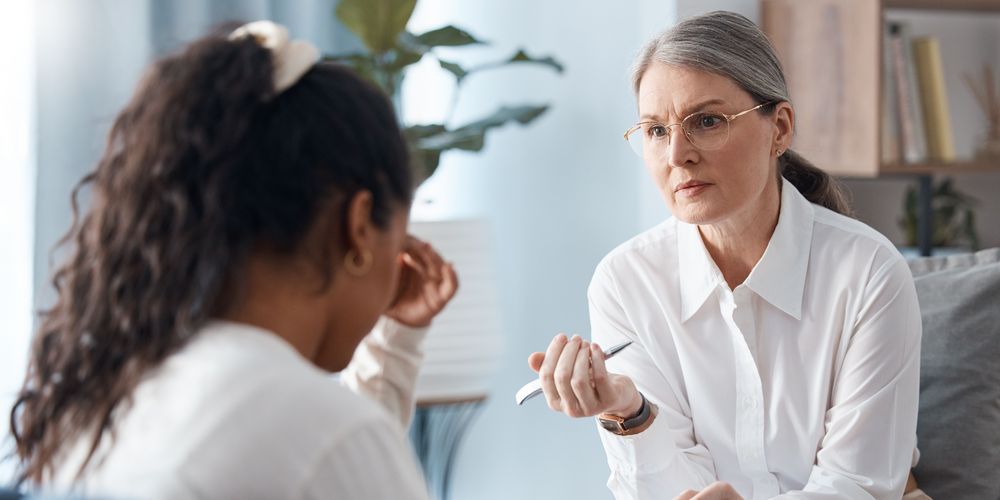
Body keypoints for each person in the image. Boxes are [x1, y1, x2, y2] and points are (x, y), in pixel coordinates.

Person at [9, 21, 456, 499]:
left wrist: (393, 345)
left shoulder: (105, 402)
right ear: (360, 224)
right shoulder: (327, 434)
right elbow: (331, 455)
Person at [527, 11, 928, 500]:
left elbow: (858, 485)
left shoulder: (868, 273)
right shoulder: (625, 281)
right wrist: (629, 413)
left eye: (707, 121)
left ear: (779, 128)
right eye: (655, 131)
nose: (677, 155)